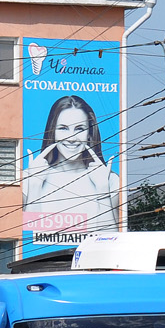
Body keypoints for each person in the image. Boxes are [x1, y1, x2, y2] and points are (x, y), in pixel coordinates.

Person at [22, 95, 120, 234]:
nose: (72, 138)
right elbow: (29, 237)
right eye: (63, 128)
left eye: (79, 129)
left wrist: (102, 189)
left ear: (89, 134)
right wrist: (35, 185)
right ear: (52, 132)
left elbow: (109, 241)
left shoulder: (110, 180)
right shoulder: (28, 178)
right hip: (47, 257)